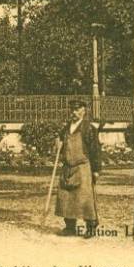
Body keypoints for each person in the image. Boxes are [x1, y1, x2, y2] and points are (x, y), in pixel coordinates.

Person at [54, 100, 101, 238]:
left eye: (77, 109)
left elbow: (96, 150)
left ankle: (91, 227)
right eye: (72, 109)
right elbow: (61, 143)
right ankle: (70, 227)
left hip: (83, 167)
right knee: (66, 197)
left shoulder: (89, 128)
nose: (73, 112)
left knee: (85, 198)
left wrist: (96, 170)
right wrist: (58, 143)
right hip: (68, 167)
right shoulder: (67, 127)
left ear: (84, 111)